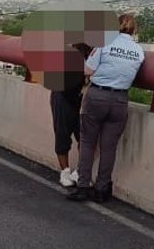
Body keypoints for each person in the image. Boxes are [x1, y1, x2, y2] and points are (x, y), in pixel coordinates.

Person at [72, 13, 145, 203]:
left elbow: (87, 70)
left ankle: (82, 186)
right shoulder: (138, 51)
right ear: (133, 30)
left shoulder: (104, 45)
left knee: (88, 143)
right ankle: (102, 188)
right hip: (120, 99)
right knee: (109, 147)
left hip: (97, 96)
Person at [50, 43, 90, 187]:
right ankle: (65, 172)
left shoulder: (95, 51)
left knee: (85, 137)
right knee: (62, 134)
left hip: (80, 98)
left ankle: (79, 171)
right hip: (62, 96)